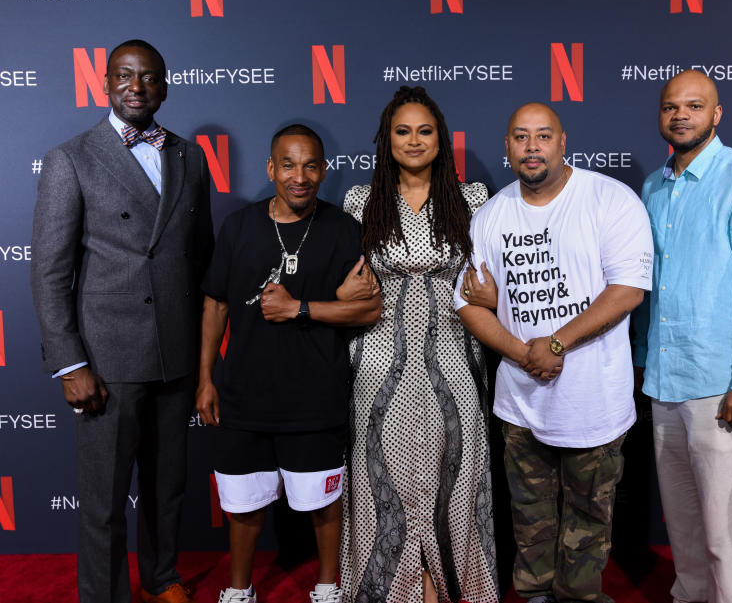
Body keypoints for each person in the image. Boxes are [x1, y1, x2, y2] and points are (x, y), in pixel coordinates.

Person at [29, 39, 213, 603]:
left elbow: (200, 256)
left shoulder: (190, 155)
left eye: (150, 77)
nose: (137, 87)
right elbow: (49, 271)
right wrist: (70, 362)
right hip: (106, 359)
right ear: (106, 84)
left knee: (168, 488)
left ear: (165, 85)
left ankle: (161, 579)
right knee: (104, 499)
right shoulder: (72, 158)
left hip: (175, 355)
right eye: (125, 76)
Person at [455, 102, 653, 603]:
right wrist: (525, 353)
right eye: (520, 137)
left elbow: (628, 289)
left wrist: (557, 343)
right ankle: (537, 595)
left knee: (589, 521)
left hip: (594, 401)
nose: (532, 147)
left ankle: (580, 597)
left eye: (543, 136)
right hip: (521, 404)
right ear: (507, 147)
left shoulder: (610, 199)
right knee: (530, 517)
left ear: (563, 142)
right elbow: (470, 306)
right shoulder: (490, 215)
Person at [195, 124, 381, 603]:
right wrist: (205, 379)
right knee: (243, 505)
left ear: (323, 169)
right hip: (242, 392)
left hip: (315, 394)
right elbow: (214, 305)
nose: (300, 176)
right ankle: (239, 590)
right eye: (289, 164)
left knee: (323, 504)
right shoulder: (239, 226)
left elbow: (367, 308)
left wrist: (299, 307)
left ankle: (326, 587)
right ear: (271, 168)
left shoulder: (343, 228)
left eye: (311, 165)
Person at [632, 70, 732, 603]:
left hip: (722, 387)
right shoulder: (654, 186)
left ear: (716, 114)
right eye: (671, 106)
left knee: (725, 534)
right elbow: (648, 287)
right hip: (663, 382)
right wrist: (640, 361)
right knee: (685, 531)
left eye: (694, 106)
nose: (681, 115)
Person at [340, 86, 499, 603]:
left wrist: (493, 295)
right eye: (402, 131)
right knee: (383, 489)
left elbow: (493, 281)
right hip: (376, 365)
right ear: (387, 140)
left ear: (441, 139)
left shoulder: (473, 200)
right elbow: (345, 286)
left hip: (456, 364)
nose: (413, 141)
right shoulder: (361, 202)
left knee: (454, 484)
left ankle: (453, 588)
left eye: (424, 131)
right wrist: (340, 294)